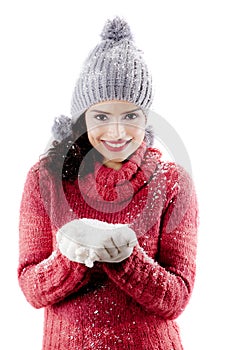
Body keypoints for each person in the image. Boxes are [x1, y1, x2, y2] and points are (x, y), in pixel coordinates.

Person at [18, 16, 199, 350]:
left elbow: (177, 298)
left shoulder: (171, 183)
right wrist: (71, 257)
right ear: (82, 118)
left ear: (146, 118)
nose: (116, 132)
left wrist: (126, 257)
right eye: (101, 116)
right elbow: (32, 288)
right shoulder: (45, 180)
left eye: (130, 115)